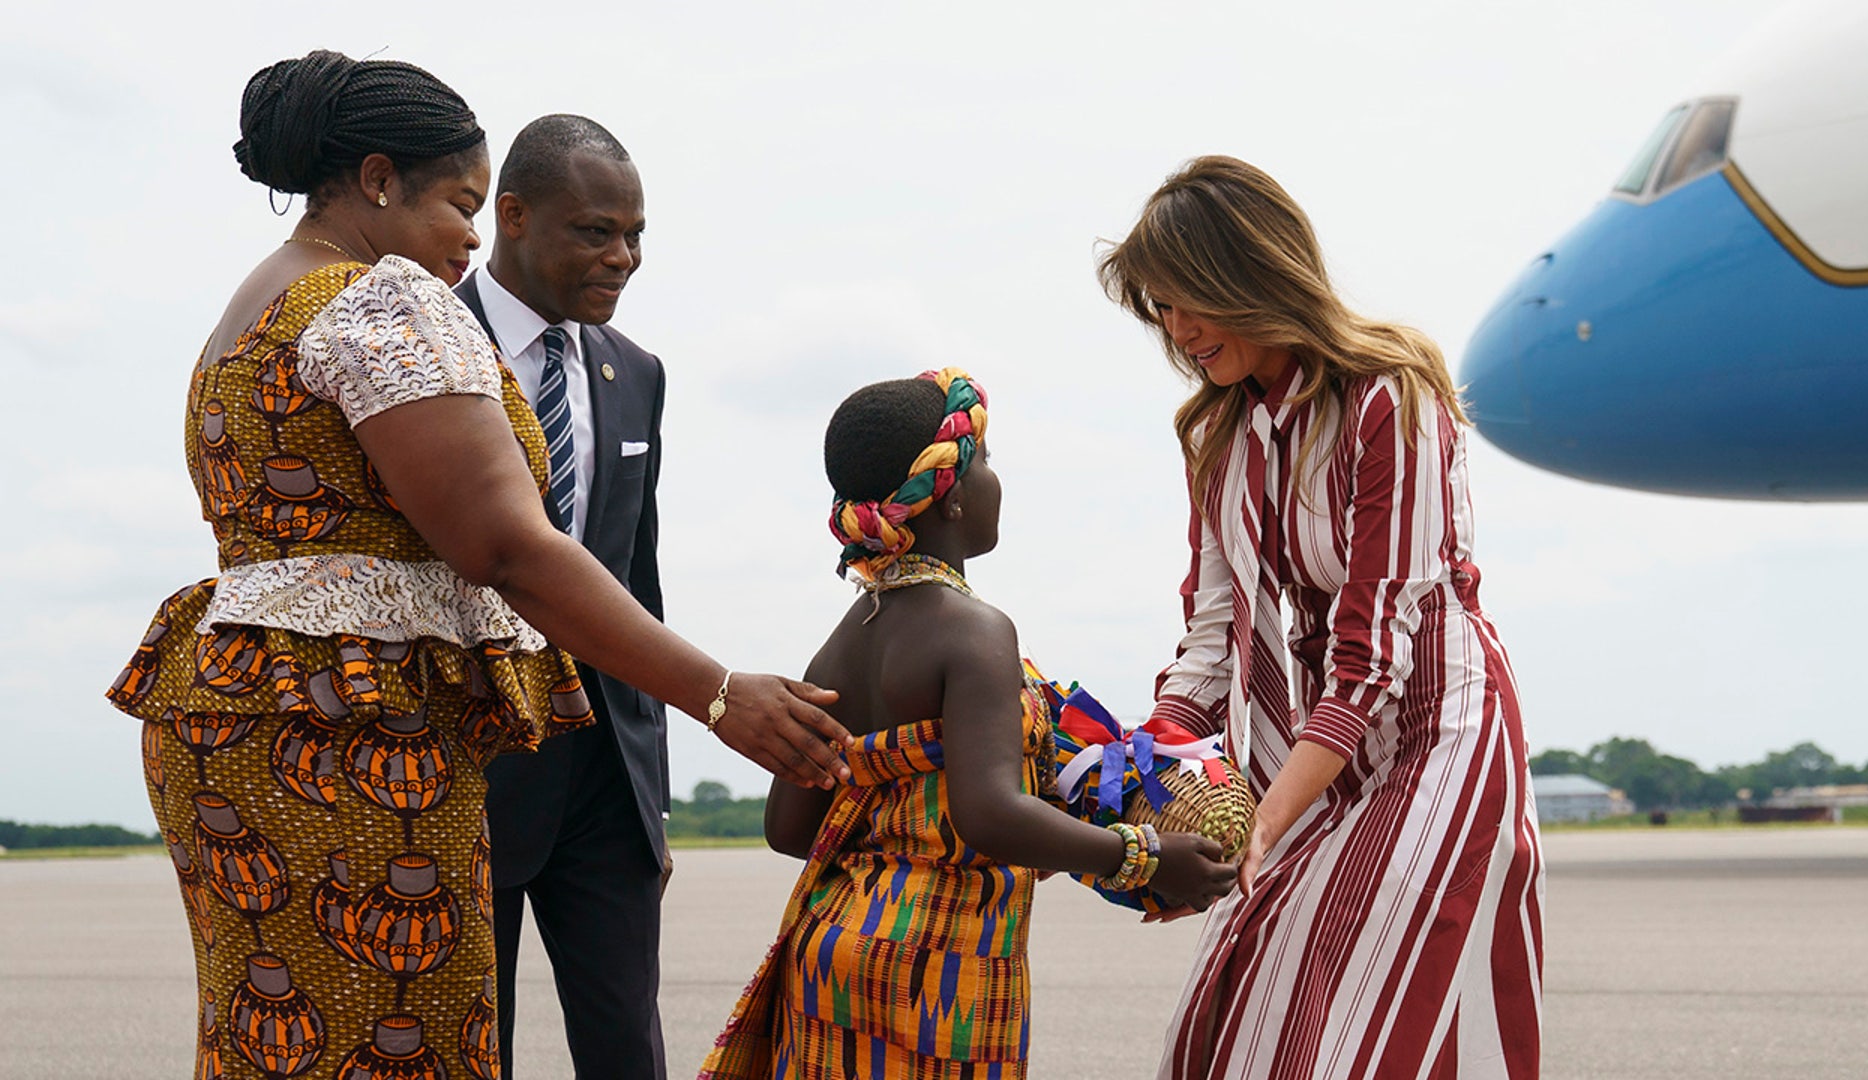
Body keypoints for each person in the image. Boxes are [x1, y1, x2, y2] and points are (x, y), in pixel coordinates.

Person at [104, 51, 851, 1080]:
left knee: (279, 1044)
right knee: (396, 1037)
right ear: (376, 181)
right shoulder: (381, 303)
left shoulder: (248, 309)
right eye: (460, 203)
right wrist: (720, 694)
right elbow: (505, 545)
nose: (467, 233)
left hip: (247, 712)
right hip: (355, 731)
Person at [1098, 156, 1543, 1080]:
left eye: (1188, 301)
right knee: (1231, 1018)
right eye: (1160, 311)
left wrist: (1264, 823)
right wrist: (1147, 763)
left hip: (1433, 734)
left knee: (1367, 1034)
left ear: (1250, 273)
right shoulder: (1217, 436)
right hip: (1304, 749)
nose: (1177, 332)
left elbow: (1376, 646)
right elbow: (1214, 635)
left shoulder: (1392, 394)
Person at [700, 370, 1239, 1080]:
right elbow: (987, 813)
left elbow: (789, 829)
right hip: (938, 970)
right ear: (949, 499)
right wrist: (1141, 855)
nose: (994, 479)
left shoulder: (841, 642)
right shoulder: (975, 632)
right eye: (984, 460)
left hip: (831, 949)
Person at [451, 114, 671, 1080]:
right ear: (513, 215)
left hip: (605, 780)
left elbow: (638, 581)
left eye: (635, 235)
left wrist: (649, 790)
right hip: (469, 753)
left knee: (627, 1045)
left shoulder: (638, 373)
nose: (622, 257)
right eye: (595, 231)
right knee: (469, 1047)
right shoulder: (420, 339)